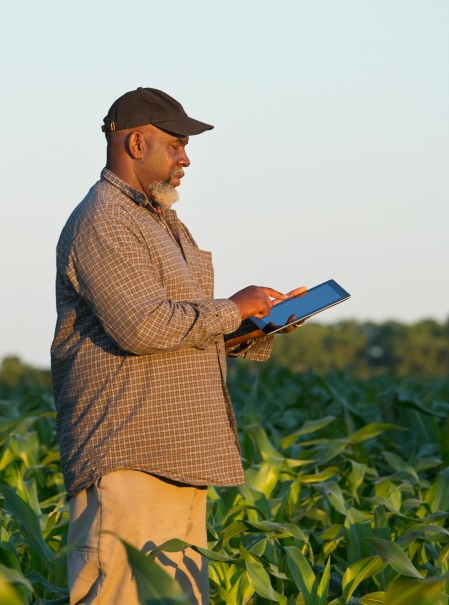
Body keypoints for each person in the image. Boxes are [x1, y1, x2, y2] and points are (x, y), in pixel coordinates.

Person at [51, 87, 305, 604]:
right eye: (176, 144)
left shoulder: (161, 222)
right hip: (131, 455)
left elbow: (181, 329)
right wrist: (234, 306)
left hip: (178, 454)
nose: (185, 158)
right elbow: (142, 327)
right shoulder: (105, 220)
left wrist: (257, 325)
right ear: (137, 143)